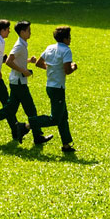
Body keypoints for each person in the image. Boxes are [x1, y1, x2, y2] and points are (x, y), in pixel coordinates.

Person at [0, 20, 47, 146]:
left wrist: (28, 61)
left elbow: (16, 60)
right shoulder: (19, 45)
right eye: (28, 31)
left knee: (9, 110)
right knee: (31, 110)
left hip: (16, 82)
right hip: (19, 83)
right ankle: (37, 136)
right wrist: (24, 71)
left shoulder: (22, 44)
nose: (30, 32)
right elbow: (9, 61)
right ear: (22, 32)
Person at [29, 26, 77, 155]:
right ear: (65, 38)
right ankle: (27, 125)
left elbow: (38, 63)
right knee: (55, 119)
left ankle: (66, 145)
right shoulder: (66, 51)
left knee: (63, 116)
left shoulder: (50, 48)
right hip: (58, 88)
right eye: (69, 37)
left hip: (49, 86)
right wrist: (74, 67)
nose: (70, 40)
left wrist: (52, 69)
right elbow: (67, 70)